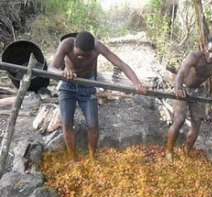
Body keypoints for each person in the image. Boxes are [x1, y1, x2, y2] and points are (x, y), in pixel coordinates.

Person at [49, 31, 145, 161]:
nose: (81, 58)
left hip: (88, 85)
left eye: (85, 56)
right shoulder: (66, 44)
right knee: (66, 123)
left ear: (92, 50)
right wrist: (62, 73)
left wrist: (137, 83)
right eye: (78, 55)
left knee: (93, 124)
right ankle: (73, 157)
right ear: (74, 46)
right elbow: (51, 68)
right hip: (67, 86)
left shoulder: (98, 47)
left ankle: (92, 157)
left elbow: (121, 64)